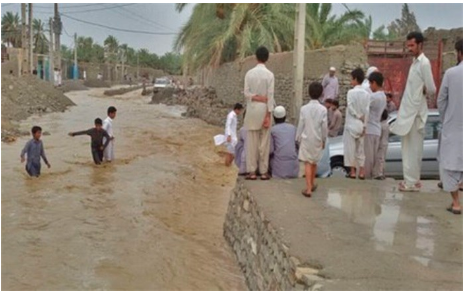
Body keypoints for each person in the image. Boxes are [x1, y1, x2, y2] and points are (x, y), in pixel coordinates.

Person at [390, 32, 436, 192]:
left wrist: (422, 91)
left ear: (420, 45)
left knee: (413, 149)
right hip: (408, 111)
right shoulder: (414, 63)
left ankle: (411, 183)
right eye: (408, 45)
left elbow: (431, 88)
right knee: (408, 147)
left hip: (416, 113)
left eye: (412, 45)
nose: (409, 48)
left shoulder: (424, 63)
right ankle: (413, 180)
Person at [437, 39, 463, 214]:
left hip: (453, 128)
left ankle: (456, 203)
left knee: (449, 167)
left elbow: (441, 100)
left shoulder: (452, 73)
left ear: (459, 53)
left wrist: (445, 118)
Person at [244, 46, 275, 181]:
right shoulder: (270, 75)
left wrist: (255, 97)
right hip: (264, 110)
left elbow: (246, 93)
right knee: (264, 142)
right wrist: (268, 115)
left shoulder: (249, 73)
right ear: (267, 58)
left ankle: (252, 171)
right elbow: (270, 96)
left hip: (252, 110)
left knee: (251, 142)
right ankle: (263, 172)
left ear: (256, 57)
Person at [296, 82, 328, 198]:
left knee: (307, 163)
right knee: (314, 162)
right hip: (318, 138)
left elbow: (301, 124)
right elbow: (324, 127)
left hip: (306, 138)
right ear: (321, 94)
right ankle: (312, 183)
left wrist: (297, 137)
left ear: (309, 93)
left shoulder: (304, 109)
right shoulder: (323, 109)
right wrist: (324, 139)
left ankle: (308, 188)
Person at [343, 68, 370, 179]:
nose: (351, 81)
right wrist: (365, 125)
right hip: (361, 125)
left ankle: (353, 171)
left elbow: (350, 107)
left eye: (352, 79)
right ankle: (362, 171)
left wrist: (357, 115)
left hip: (351, 124)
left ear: (355, 79)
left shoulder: (351, 92)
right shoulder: (366, 94)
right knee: (360, 149)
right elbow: (367, 111)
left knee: (350, 149)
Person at [364, 72, 387, 179]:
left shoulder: (373, 97)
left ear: (374, 83)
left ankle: (367, 179)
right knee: (374, 157)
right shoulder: (383, 96)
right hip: (377, 130)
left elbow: (364, 108)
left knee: (368, 158)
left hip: (369, 129)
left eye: (370, 83)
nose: (369, 86)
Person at [269, 106, 299, 179]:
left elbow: (270, 150)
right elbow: (297, 145)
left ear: (274, 117)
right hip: (294, 169)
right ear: (285, 116)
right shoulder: (293, 128)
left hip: (279, 170)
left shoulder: (272, 130)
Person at [374, 109, 389, 180]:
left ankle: (379, 173)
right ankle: (382, 172)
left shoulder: (381, 125)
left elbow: (380, 136)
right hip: (385, 143)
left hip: (381, 144)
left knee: (380, 159)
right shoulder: (386, 124)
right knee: (382, 158)